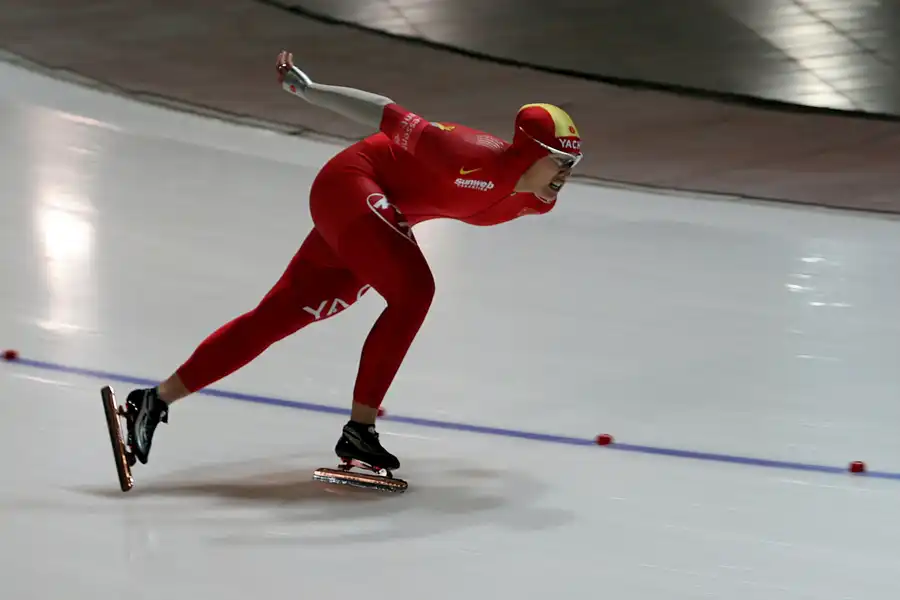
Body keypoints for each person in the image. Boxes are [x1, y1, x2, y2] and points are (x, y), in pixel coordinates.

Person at [119, 50, 583, 473]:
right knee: (415, 292)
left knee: (278, 316)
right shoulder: (467, 155)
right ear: (531, 152)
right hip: (353, 182)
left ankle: (154, 400)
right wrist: (309, 90)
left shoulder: (536, 202)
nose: (566, 173)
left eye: (572, 164)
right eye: (560, 160)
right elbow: (385, 112)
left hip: (381, 214)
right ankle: (360, 430)